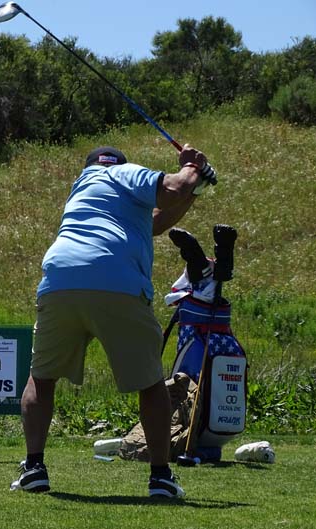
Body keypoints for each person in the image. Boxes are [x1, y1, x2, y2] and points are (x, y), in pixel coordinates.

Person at [12, 144, 216, 498]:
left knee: (41, 378)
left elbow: (153, 222)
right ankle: (160, 477)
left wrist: (193, 188)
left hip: (59, 281)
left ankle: (34, 468)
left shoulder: (83, 186)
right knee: (151, 383)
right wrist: (191, 169)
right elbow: (171, 190)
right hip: (117, 282)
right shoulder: (123, 173)